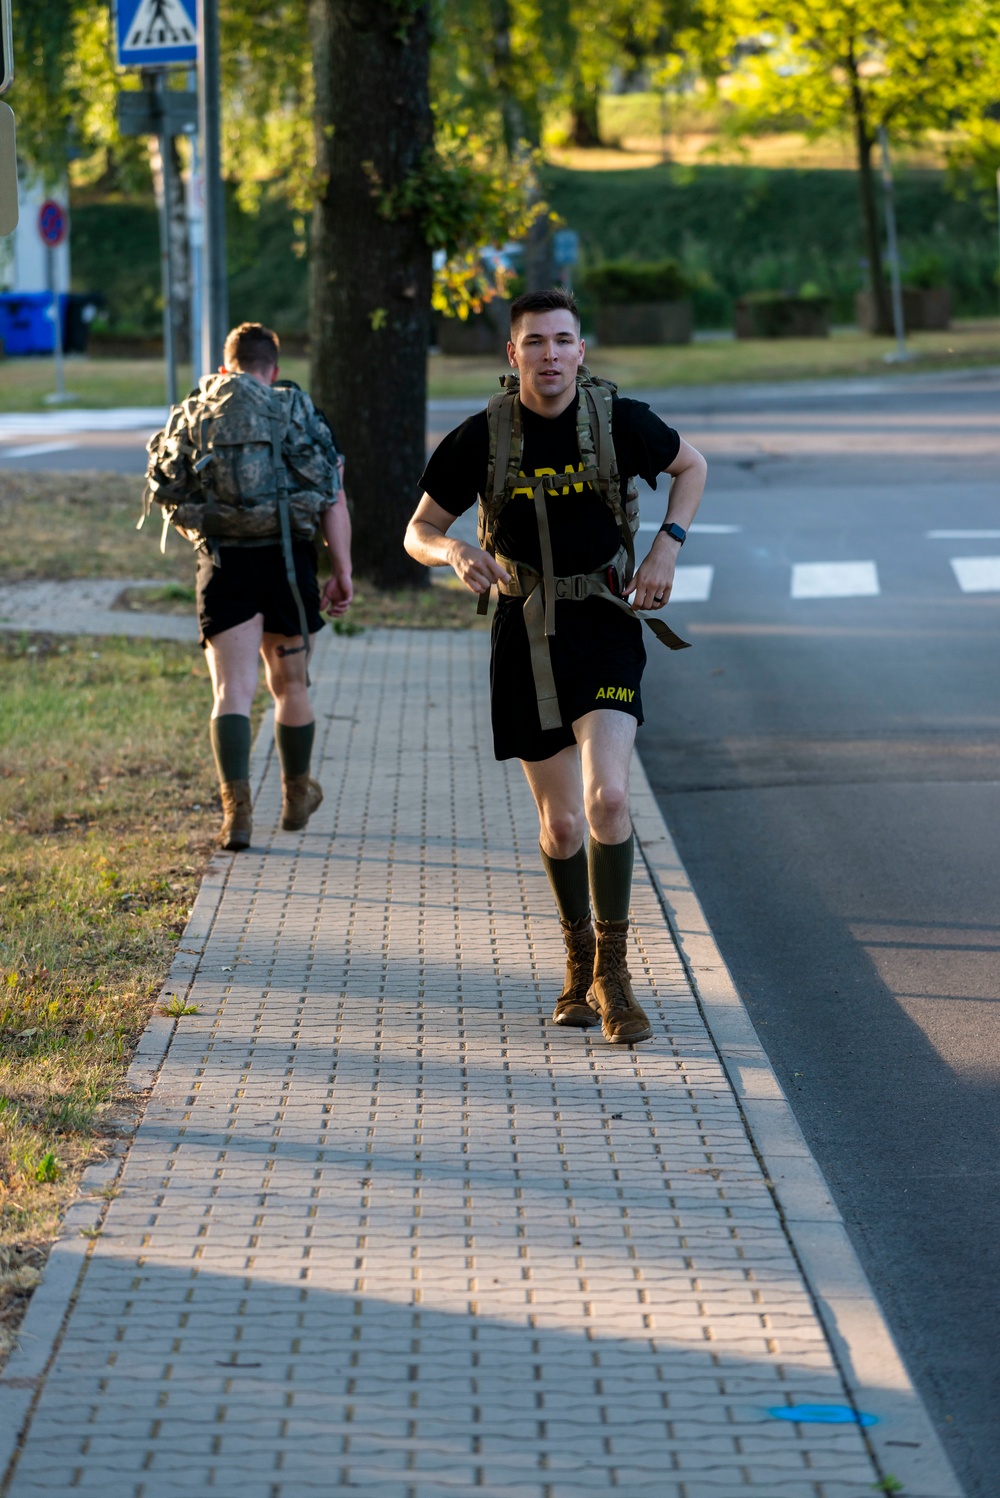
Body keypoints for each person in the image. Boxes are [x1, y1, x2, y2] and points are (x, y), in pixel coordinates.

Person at [404, 288, 707, 1045]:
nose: (549, 355)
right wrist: (453, 551)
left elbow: (691, 466)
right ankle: (576, 961)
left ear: (581, 351)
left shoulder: (620, 422)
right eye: (534, 342)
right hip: (524, 634)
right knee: (563, 821)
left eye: (562, 341)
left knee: (607, 799)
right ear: (513, 356)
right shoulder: (481, 437)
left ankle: (614, 974)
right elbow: (418, 529)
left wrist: (667, 545)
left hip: (604, 624)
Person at [145, 321, 353, 851]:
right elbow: (332, 496)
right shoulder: (294, 409)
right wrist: (342, 571)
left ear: (224, 368)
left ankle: (236, 815)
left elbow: (170, 482)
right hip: (289, 564)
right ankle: (295, 795)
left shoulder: (199, 408)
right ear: (274, 370)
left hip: (223, 564)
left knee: (231, 691)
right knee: (292, 687)